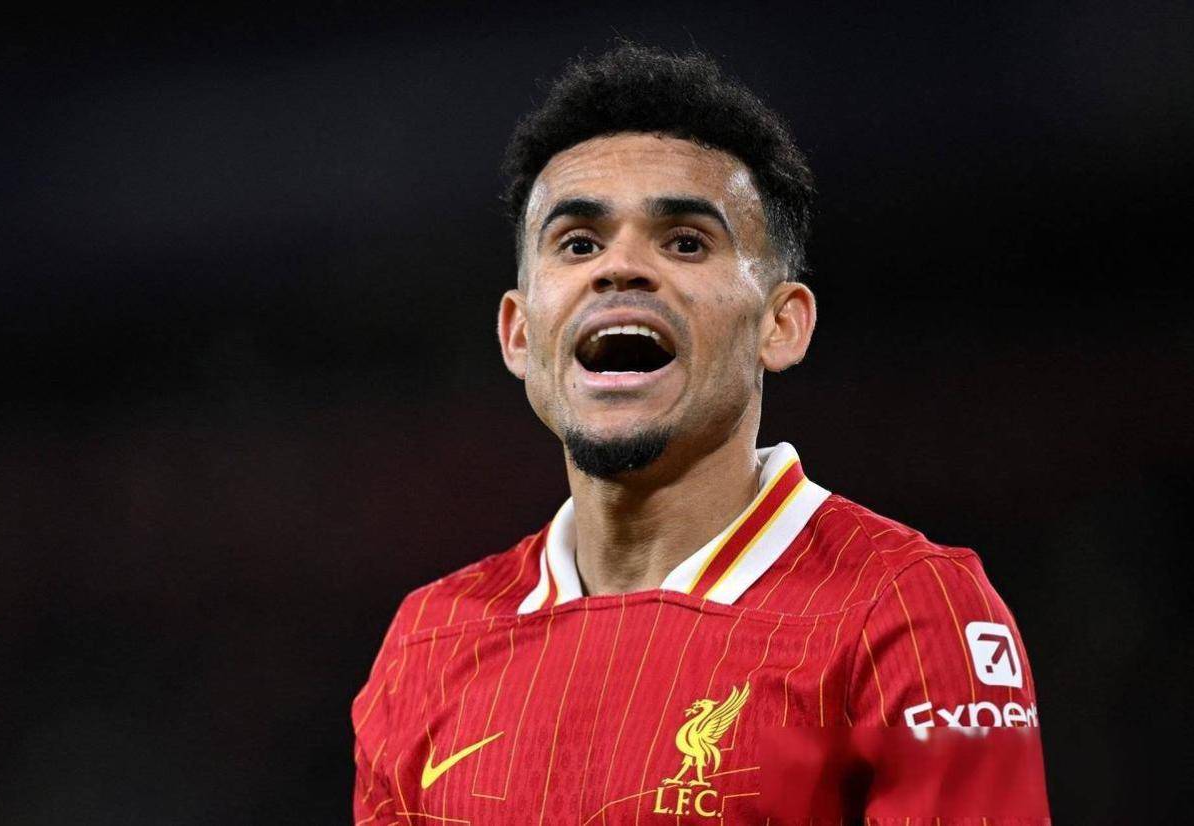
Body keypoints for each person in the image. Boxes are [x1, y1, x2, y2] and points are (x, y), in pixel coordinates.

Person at [351, 43, 1048, 824]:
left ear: (780, 325)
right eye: (578, 243)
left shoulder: (910, 614)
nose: (619, 268)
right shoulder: (428, 642)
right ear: (518, 335)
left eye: (685, 241)